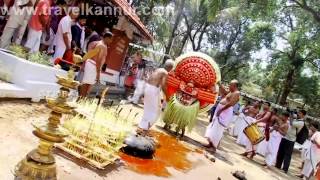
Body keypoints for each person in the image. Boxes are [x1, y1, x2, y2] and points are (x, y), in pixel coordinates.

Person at [137, 59, 174, 135]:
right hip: (152, 90)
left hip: (148, 88)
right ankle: (144, 130)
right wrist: (167, 96)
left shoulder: (159, 69)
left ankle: (141, 127)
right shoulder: (165, 73)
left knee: (148, 110)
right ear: (170, 68)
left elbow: (150, 79)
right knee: (156, 111)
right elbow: (163, 86)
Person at [204, 80, 240, 152]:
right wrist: (220, 84)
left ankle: (214, 147)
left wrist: (221, 110)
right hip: (221, 110)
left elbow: (231, 103)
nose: (229, 86)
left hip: (225, 112)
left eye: (230, 85)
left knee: (218, 129)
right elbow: (224, 91)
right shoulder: (231, 92)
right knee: (214, 127)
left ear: (234, 86)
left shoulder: (236, 93)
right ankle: (210, 143)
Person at [78, 31, 113, 98]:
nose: (111, 41)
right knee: (86, 84)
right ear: (107, 38)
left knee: (88, 84)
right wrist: (98, 73)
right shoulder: (101, 45)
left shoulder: (101, 44)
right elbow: (99, 60)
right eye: (111, 39)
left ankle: (83, 99)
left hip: (92, 65)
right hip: (93, 65)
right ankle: (81, 99)